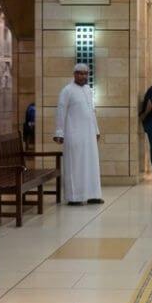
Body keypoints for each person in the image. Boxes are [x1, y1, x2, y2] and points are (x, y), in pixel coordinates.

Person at [54, 64, 103, 206]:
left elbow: (92, 112)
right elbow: (61, 112)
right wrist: (59, 132)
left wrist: (96, 130)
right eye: (80, 74)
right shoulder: (67, 91)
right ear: (74, 74)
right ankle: (74, 197)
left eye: (85, 74)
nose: (83, 76)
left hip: (89, 134)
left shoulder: (88, 90)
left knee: (91, 164)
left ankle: (93, 195)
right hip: (74, 133)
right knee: (75, 165)